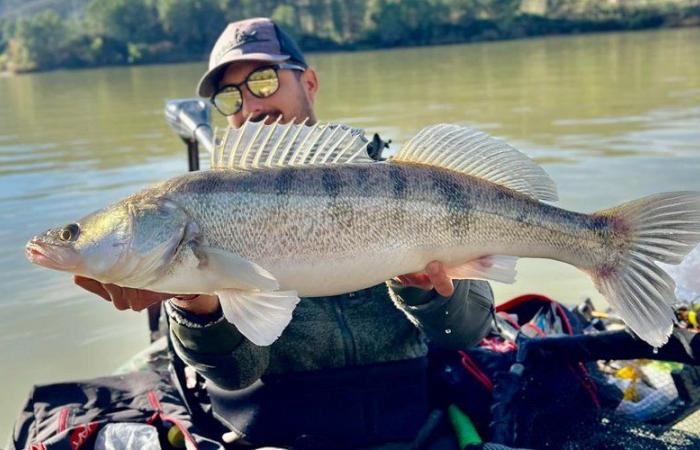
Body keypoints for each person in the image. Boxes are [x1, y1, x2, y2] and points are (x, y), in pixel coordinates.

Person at [75, 17, 495, 450]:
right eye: (230, 96)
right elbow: (235, 375)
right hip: (280, 436)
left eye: (263, 80)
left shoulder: (396, 182)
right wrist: (198, 306)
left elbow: (470, 331)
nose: (251, 106)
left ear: (309, 82)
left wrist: (428, 293)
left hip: (410, 427)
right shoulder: (192, 217)